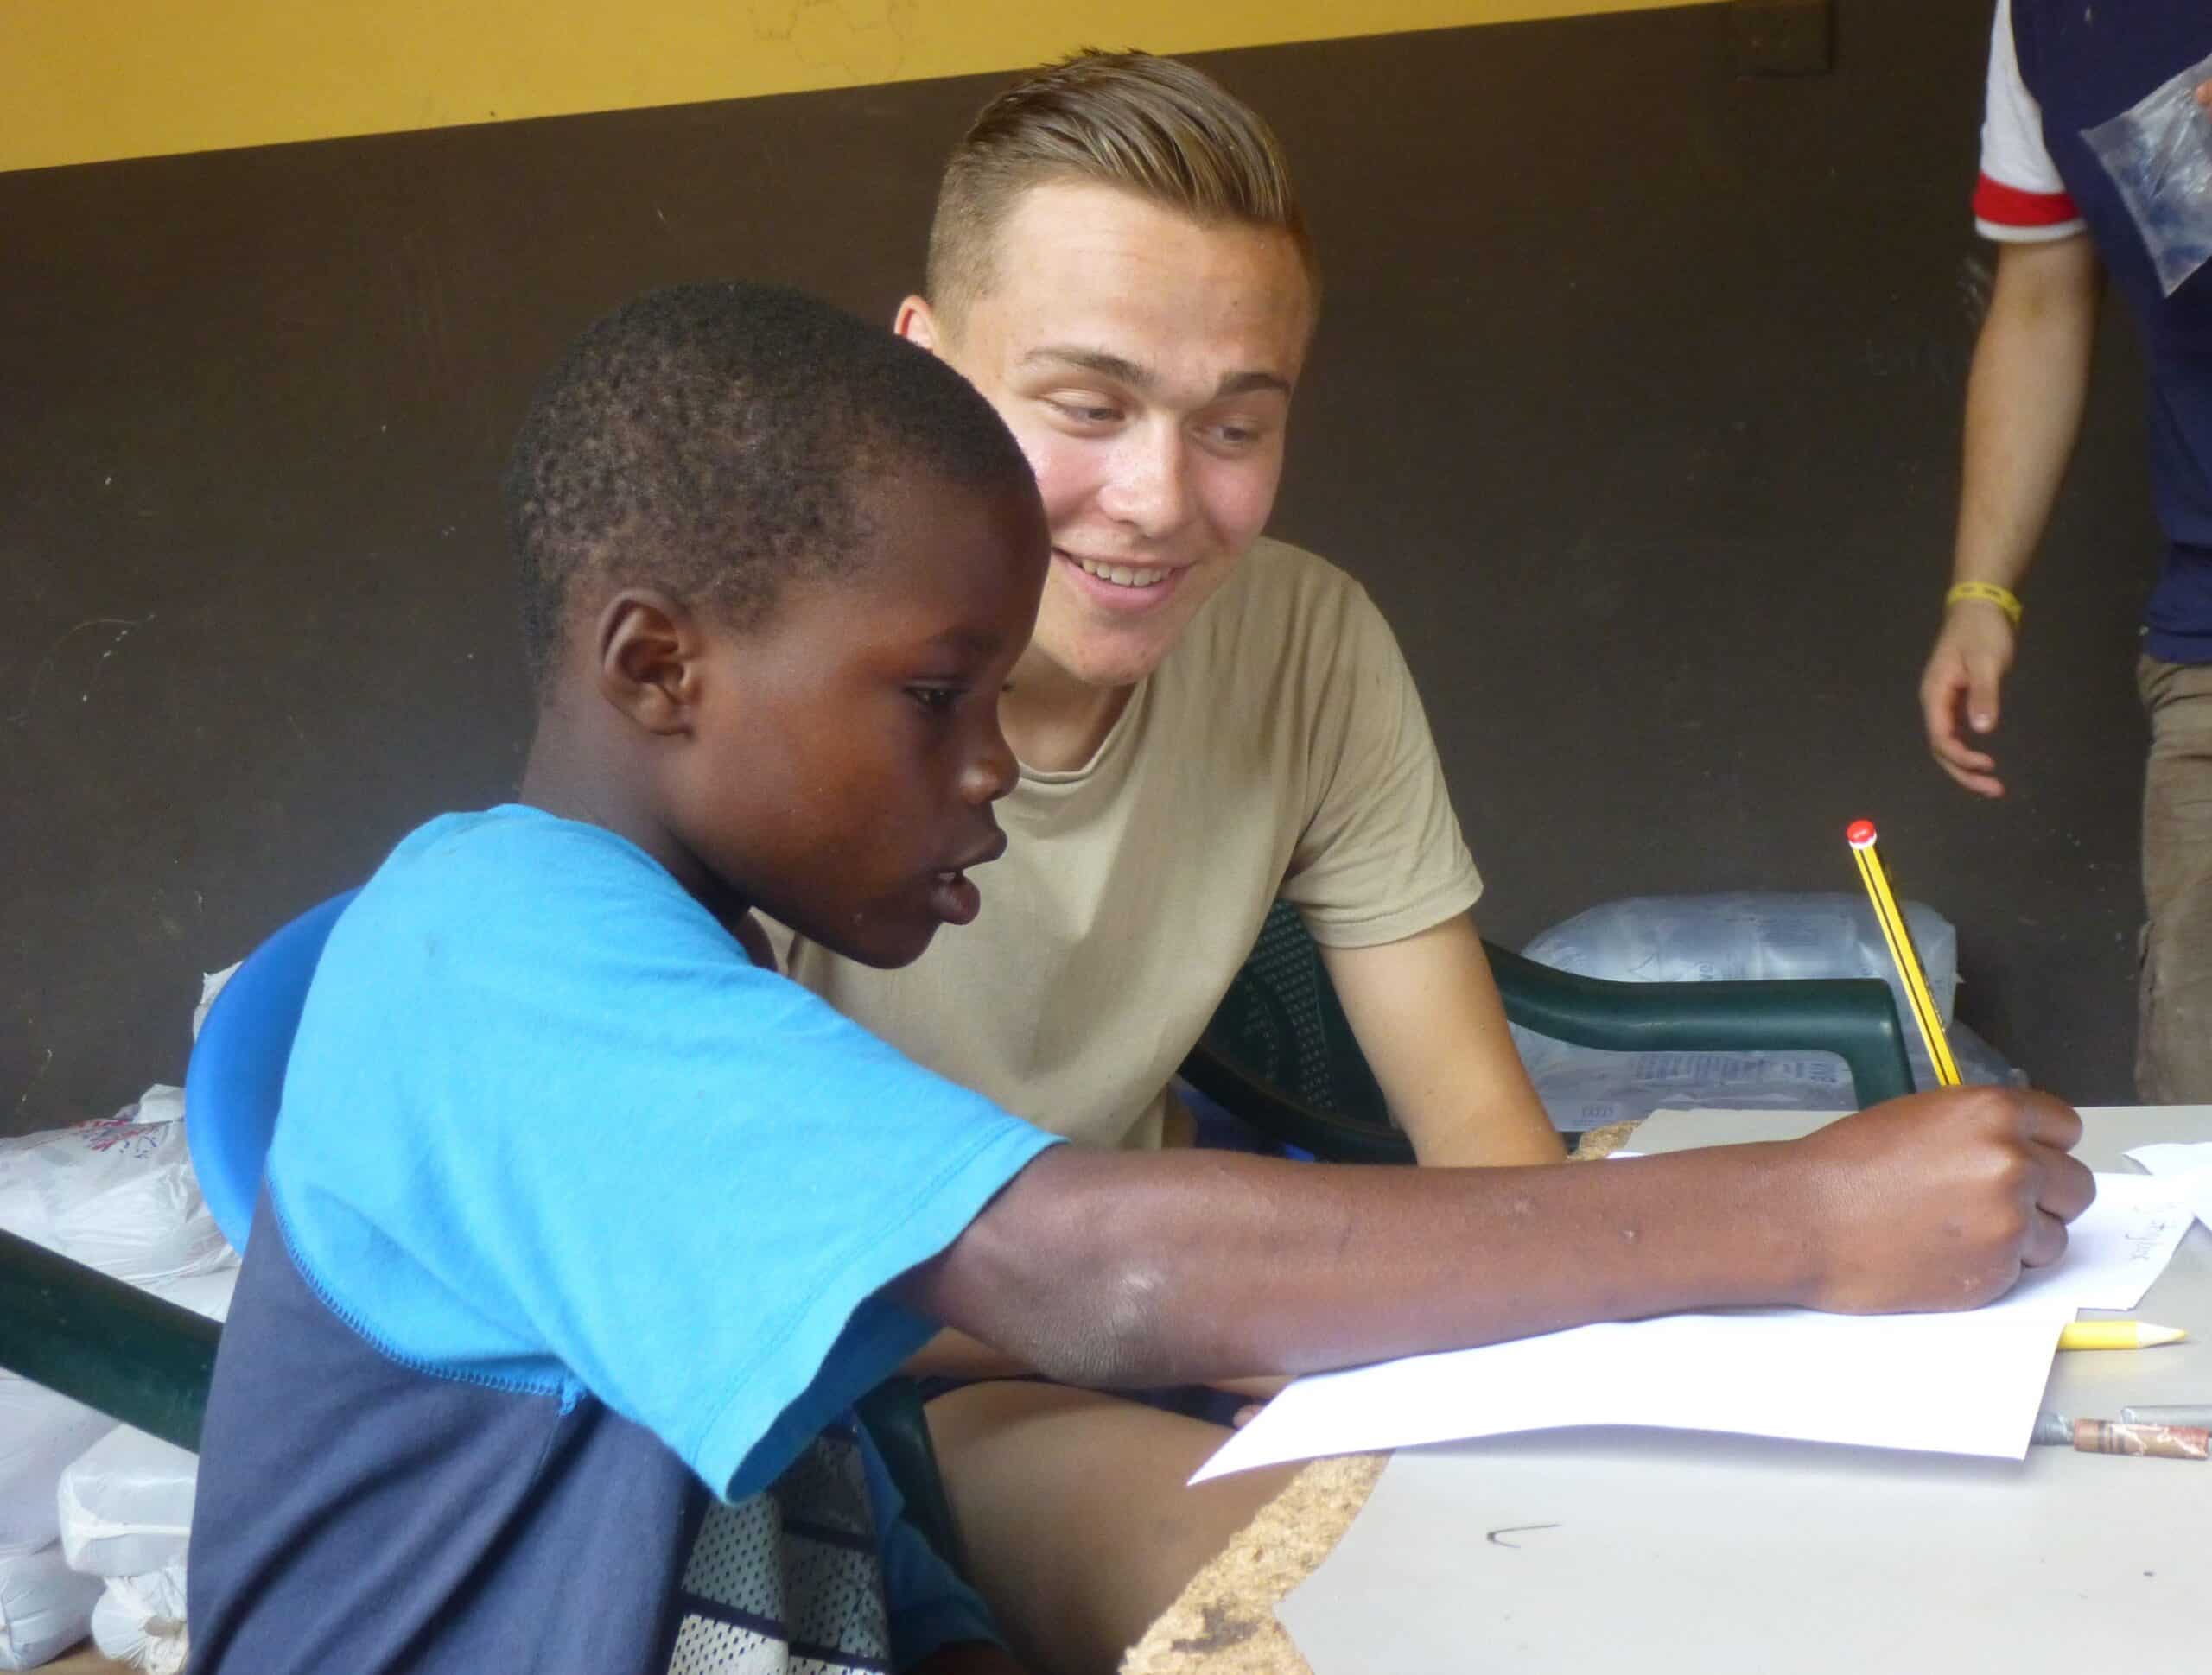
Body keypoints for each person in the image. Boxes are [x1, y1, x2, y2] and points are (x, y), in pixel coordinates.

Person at [184, 282, 2092, 1675]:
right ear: (658, 666)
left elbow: (831, 1528)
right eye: (937, 697)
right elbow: (1084, 1263)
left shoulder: (696, 992)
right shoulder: (486, 943)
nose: (994, 761)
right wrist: (1803, 1211)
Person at [766, 52, 1572, 1647]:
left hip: (1188, 1326)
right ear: (922, 372)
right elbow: (767, 1283)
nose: (1157, 499)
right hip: (869, 1396)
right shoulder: (769, 703)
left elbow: (1481, 1129)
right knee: (1370, 1619)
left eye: (1235, 425)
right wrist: (1235, 1306)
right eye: (1087, 405)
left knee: (1600, 1548)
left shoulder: (1305, 640)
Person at [1920, 2, 2212, 1101]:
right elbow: (2040, 297)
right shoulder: (2044, 21)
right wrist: (1981, 591)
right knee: (2198, 1138)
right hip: (2208, 638)